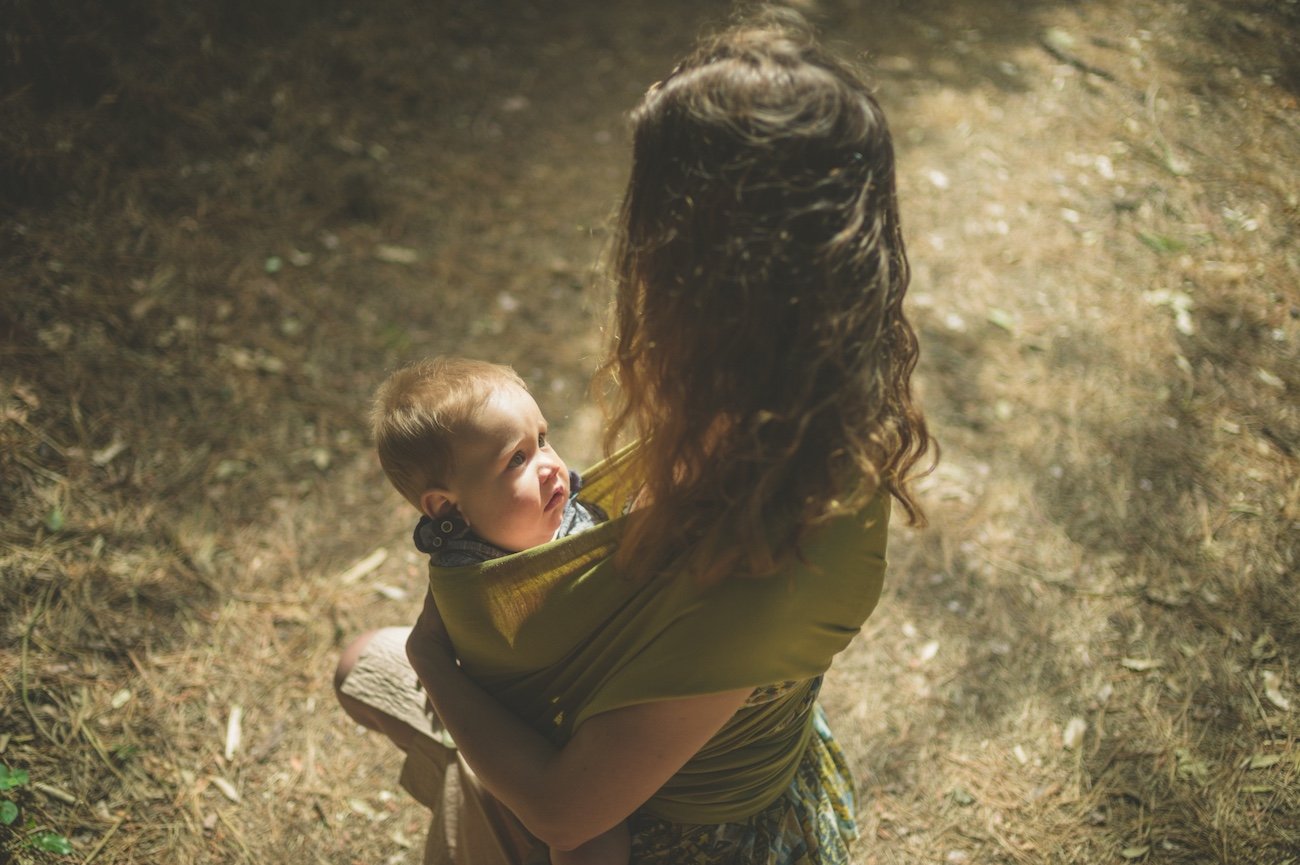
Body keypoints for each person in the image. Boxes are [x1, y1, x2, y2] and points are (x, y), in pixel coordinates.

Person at [335, 9, 933, 864]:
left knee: (389, 674)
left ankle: (472, 807)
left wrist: (434, 657)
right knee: (361, 660)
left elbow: (567, 811)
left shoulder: (777, 552)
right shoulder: (765, 407)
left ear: (708, 273)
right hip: (589, 732)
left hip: (667, 832)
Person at [368, 355, 624, 864]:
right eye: (517, 460)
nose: (550, 464)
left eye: (543, 439)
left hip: (610, 733)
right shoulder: (472, 582)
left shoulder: (569, 509)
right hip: (540, 744)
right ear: (448, 509)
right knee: (589, 843)